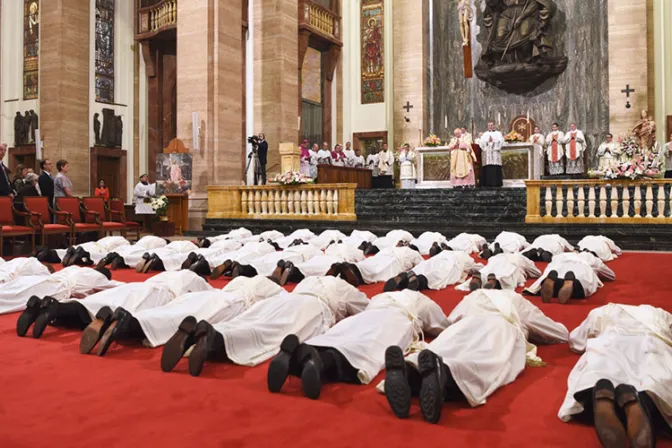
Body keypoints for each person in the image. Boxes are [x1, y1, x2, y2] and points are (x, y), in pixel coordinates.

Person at [383, 289, 568, 424]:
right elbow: (554, 332)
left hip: (463, 325)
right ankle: (443, 372)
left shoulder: (472, 296)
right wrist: (562, 331)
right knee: (484, 361)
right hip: (500, 328)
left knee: (444, 347)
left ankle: (409, 370)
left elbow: (451, 320)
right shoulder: (514, 299)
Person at [268, 290, 448, 399]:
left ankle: (298, 354)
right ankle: (319, 363)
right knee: (363, 348)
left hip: (364, 316)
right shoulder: (419, 299)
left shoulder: (380, 296)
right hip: (395, 320)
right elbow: (440, 325)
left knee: (338, 336)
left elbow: (361, 306)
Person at [176, 275, 369, 377]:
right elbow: (366, 308)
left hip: (281, 301)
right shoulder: (342, 287)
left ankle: (204, 334)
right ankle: (215, 338)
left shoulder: (308, 281)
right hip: (311, 308)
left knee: (250, 320)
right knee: (269, 331)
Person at [558, 303, 672, 448]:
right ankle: (641, 400)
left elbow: (576, 341)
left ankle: (601, 391)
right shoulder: (660, 313)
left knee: (598, 371)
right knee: (655, 383)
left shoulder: (603, 310)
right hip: (651, 344)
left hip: (611, 341)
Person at [8, 266, 121, 337]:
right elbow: (118, 286)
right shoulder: (100, 278)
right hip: (62, 290)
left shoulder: (75, 268)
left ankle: (39, 304)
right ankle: (53, 307)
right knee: (81, 309)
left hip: (50, 280)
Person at [524, 251, 616, 303]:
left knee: (551, 274)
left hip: (556, 270)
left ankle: (550, 281)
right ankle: (570, 282)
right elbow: (611, 275)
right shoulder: (589, 257)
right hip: (579, 276)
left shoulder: (560, 256)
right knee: (581, 280)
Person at [385, 250, 482, 292]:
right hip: (453, 262)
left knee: (423, 267)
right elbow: (475, 267)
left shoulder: (444, 253)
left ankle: (405, 277)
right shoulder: (465, 256)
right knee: (438, 275)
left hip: (437, 258)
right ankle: (418, 281)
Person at [328, 245, 424, 287]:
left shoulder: (393, 247)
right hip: (395, 262)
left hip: (384, 254)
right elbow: (421, 266)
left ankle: (349, 268)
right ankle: (352, 271)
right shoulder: (414, 253)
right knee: (376, 271)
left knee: (369, 264)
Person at [479, 120, 505, 187]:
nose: (490, 126)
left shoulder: (498, 133)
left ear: (494, 126)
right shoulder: (485, 134)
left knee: (495, 167)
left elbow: (501, 141)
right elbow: (481, 143)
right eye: (489, 125)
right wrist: (487, 142)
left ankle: (496, 183)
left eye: (491, 125)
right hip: (487, 153)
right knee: (488, 167)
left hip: (495, 153)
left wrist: (493, 142)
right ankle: (487, 183)